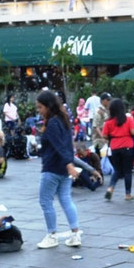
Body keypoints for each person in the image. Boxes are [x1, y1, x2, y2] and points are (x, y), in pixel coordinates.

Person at [35, 91, 83, 249]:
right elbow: (68, 145)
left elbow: (58, 145)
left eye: (40, 107)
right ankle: (75, 234)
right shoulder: (63, 120)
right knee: (65, 199)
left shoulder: (53, 122)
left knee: (45, 201)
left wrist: (69, 164)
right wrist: (69, 163)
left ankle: (52, 235)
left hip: (52, 167)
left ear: (48, 106)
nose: (39, 110)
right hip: (63, 167)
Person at [100, 98, 134, 201]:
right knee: (127, 171)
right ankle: (127, 194)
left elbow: (104, 136)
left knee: (117, 170)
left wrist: (112, 136)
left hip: (115, 147)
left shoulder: (108, 122)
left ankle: (110, 188)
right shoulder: (128, 119)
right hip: (127, 147)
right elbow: (133, 132)